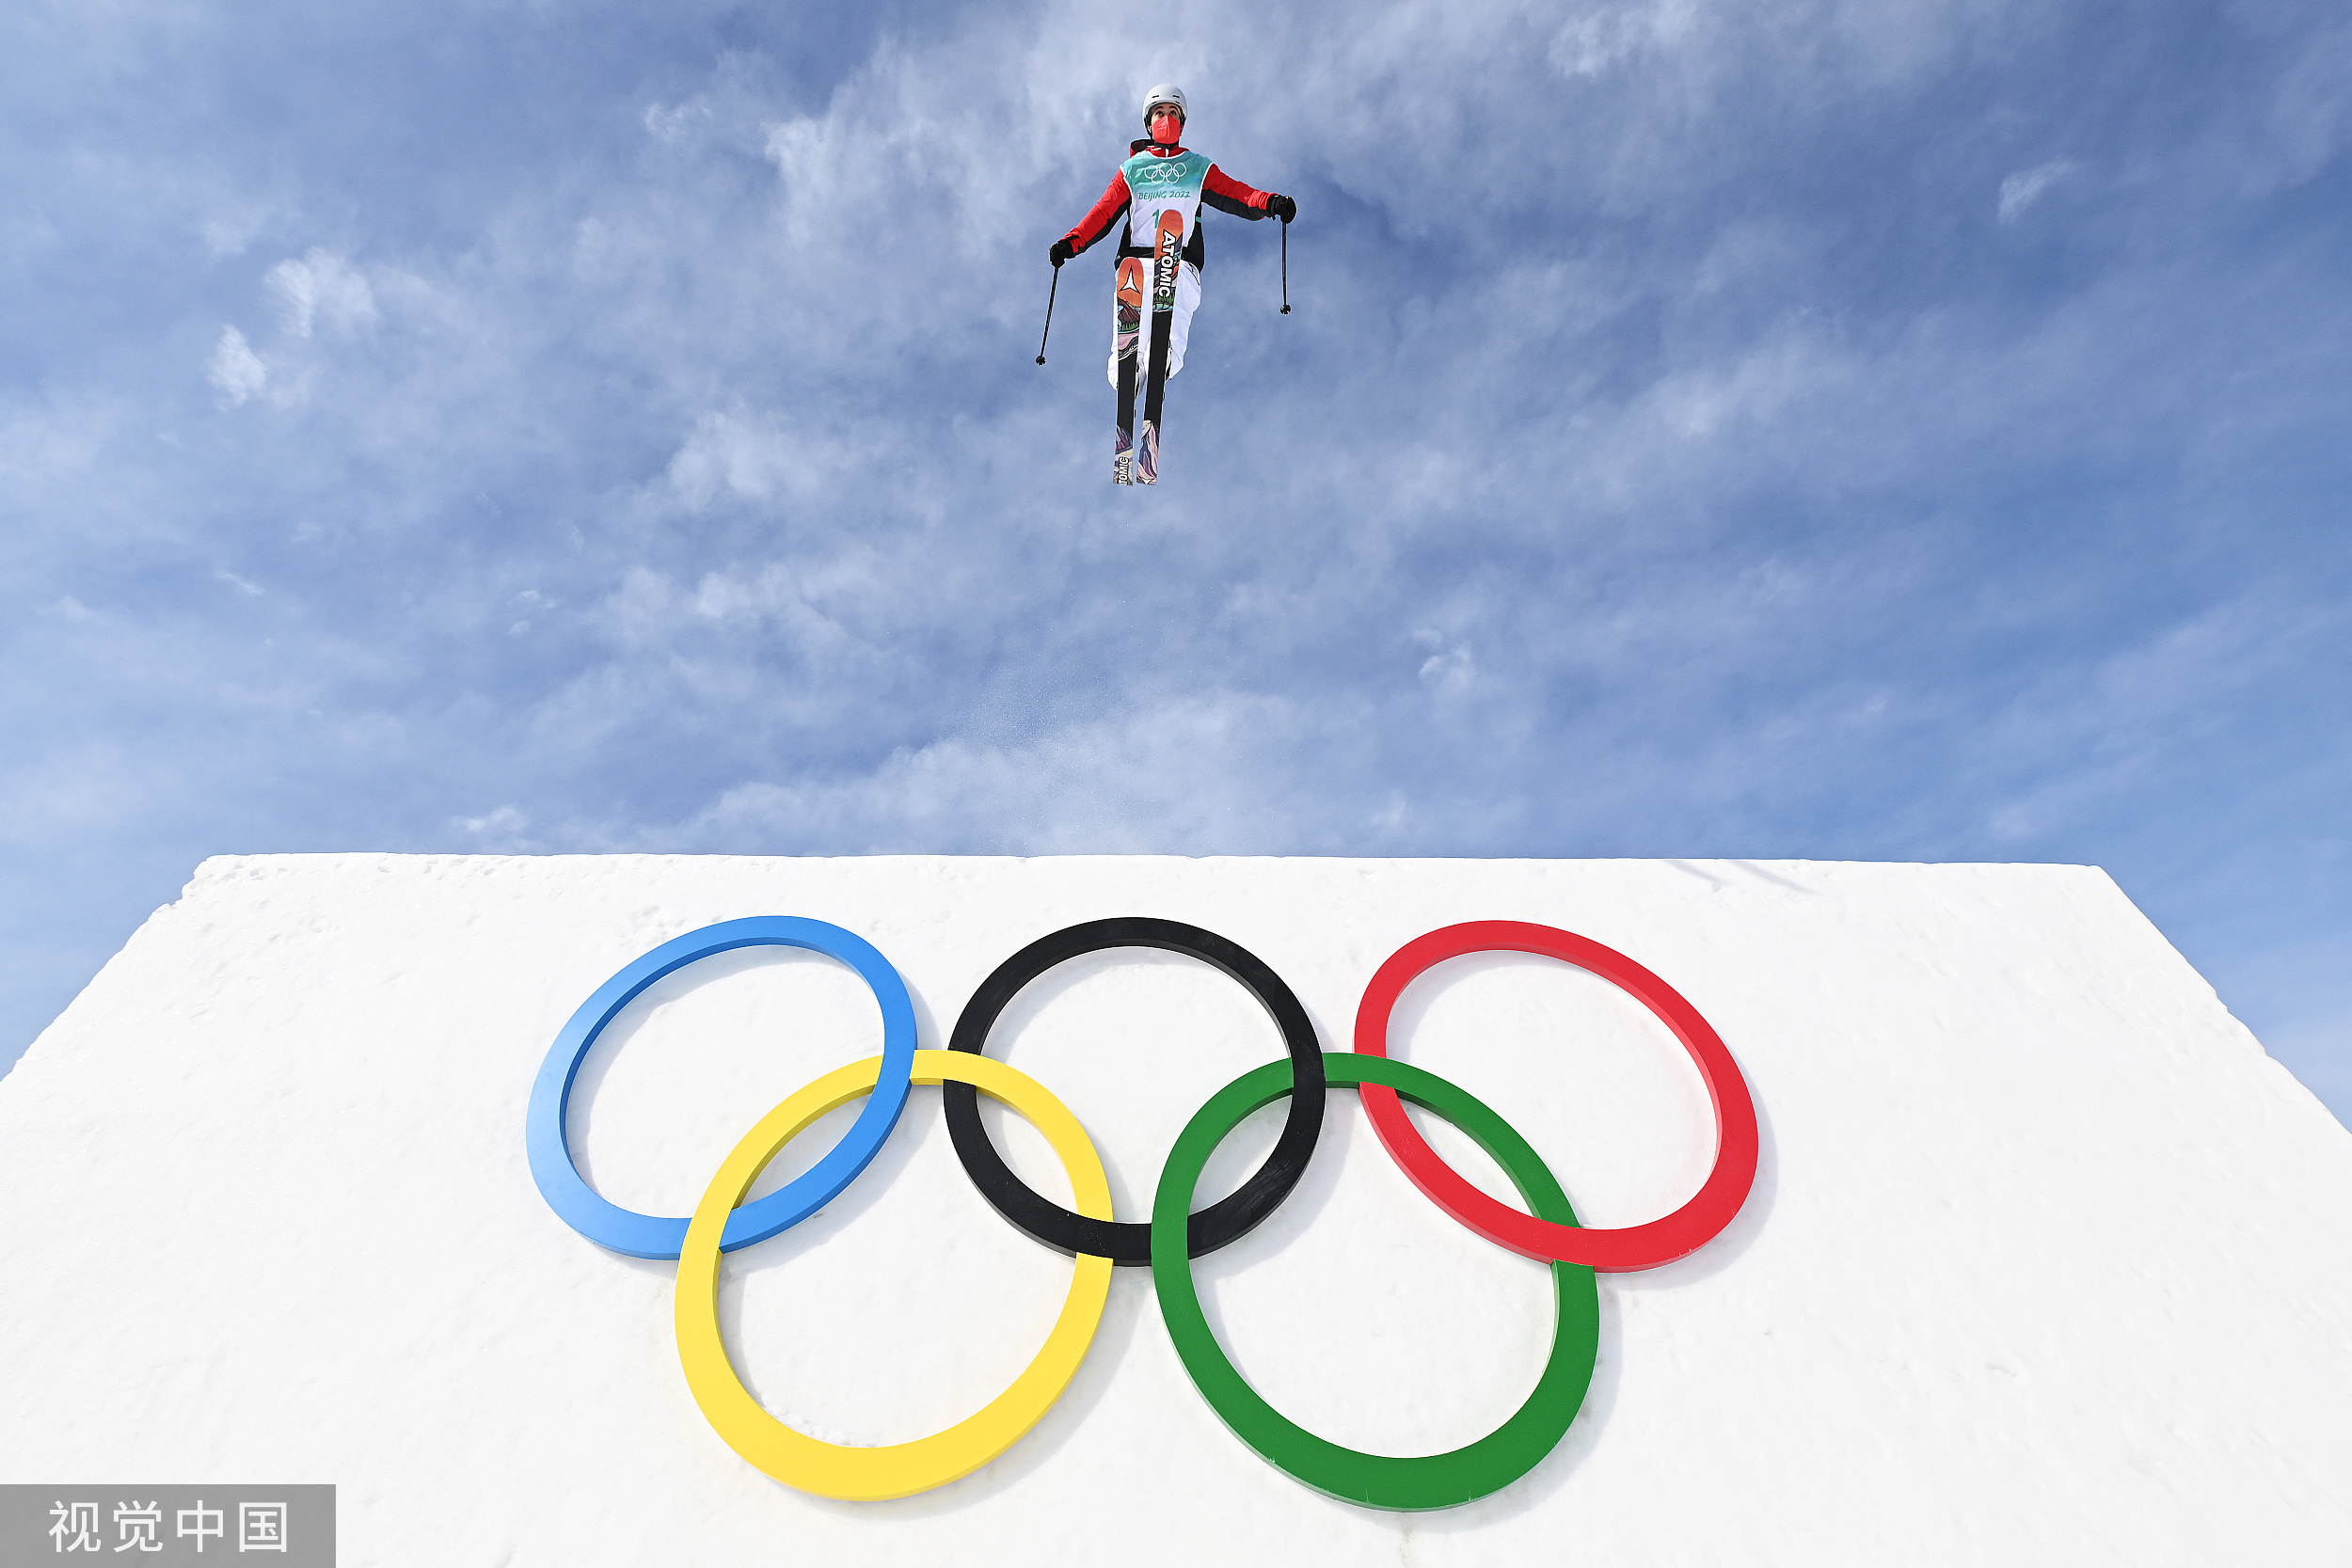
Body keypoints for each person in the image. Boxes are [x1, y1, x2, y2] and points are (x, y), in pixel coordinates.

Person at [1048, 86, 1295, 391]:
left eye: (1173, 113)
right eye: (1160, 113)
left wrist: (1271, 203)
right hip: (1136, 262)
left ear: (1182, 121)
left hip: (1180, 259)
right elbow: (1103, 213)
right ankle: (1127, 372)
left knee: (1175, 312)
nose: (1166, 118)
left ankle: (1161, 358)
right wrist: (1070, 243)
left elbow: (1236, 194)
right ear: (1149, 123)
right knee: (1128, 325)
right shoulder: (1132, 170)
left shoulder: (1197, 167)